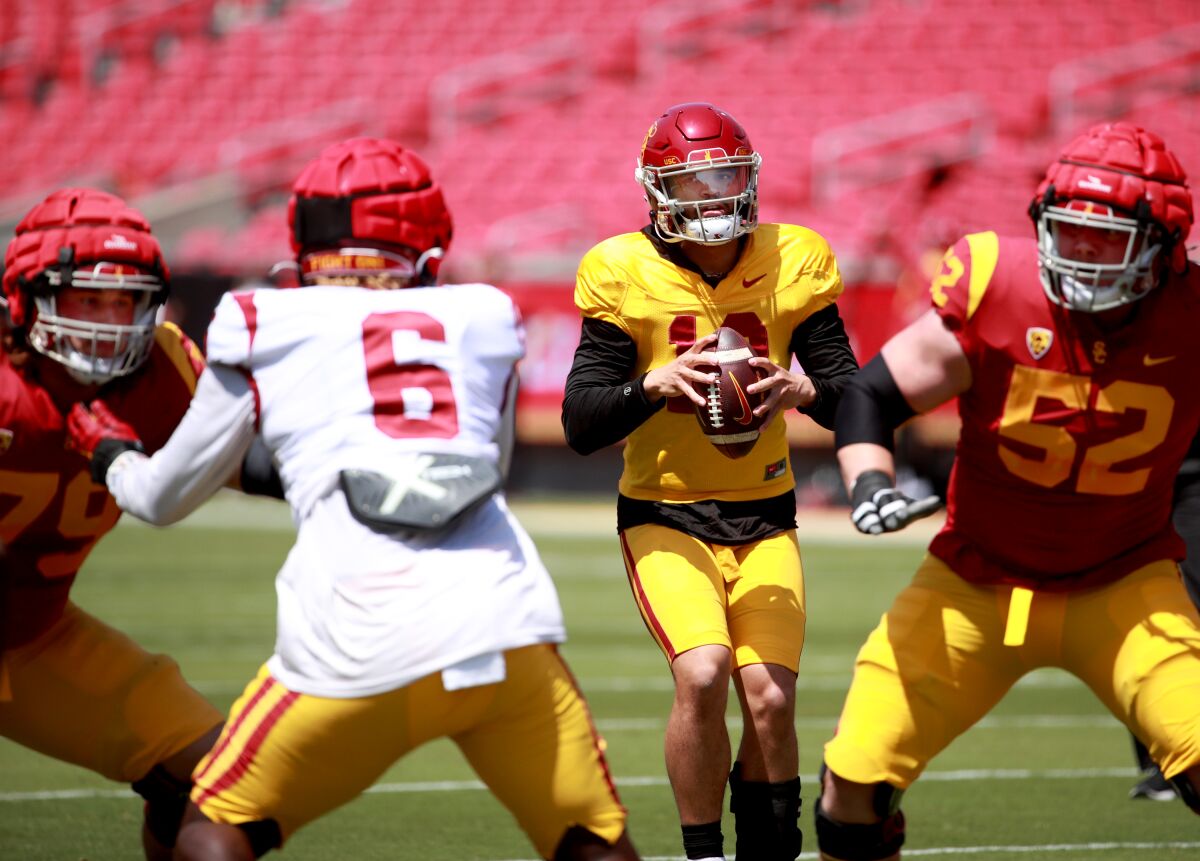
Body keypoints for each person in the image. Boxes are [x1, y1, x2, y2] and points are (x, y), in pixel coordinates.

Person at [67, 137, 640, 861]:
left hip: (355, 635)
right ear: (427, 249)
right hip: (501, 622)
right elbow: (480, 468)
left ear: (303, 243)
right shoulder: (485, 314)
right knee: (593, 844)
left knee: (212, 830)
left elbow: (160, 497)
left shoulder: (259, 318)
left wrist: (107, 449)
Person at [820, 121, 1200, 860]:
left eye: (1107, 236)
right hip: (974, 581)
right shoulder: (999, 281)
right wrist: (870, 480)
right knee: (851, 787)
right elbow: (873, 393)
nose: (1082, 251)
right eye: (1069, 229)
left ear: (1162, 244)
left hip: (1125, 584)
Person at [562, 102, 859, 861]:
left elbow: (853, 394)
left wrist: (805, 394)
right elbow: (581, 421)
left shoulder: (795, 257)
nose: (714, 196)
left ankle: (768, 846)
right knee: (703, 671)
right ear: (658, 190)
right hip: (666, 513)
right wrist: (650, 385)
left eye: (727, 175)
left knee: (770, 695)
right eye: (694, 183)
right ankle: (702, 853)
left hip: (766, 512)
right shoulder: (622, 269)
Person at [0, 187, 225, 859]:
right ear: (26, 298)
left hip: (32, 637)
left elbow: (253, 461)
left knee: (222, 780)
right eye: (86, 300)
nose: (107, 322)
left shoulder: (163, 373)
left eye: (123, 301)